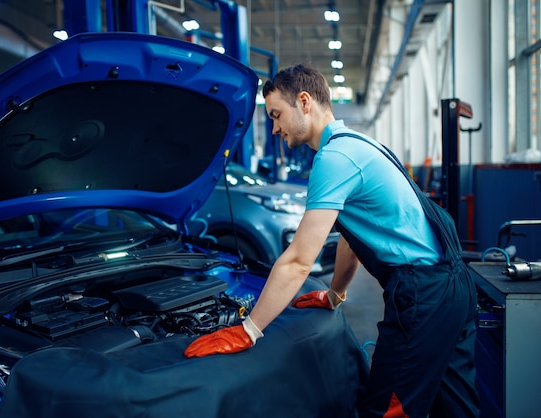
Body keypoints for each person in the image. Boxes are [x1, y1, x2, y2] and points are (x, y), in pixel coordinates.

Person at [184, 63, 480, 418]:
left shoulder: (334, 158)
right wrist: (335, 293)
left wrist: (249, 330)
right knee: (456, 407)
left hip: (424, 295)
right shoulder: (363, 144)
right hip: (455, 287)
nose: (275, 127)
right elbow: (352, 239)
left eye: (276, 115)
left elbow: (298, 261)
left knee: (386, 410)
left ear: (304, 102)